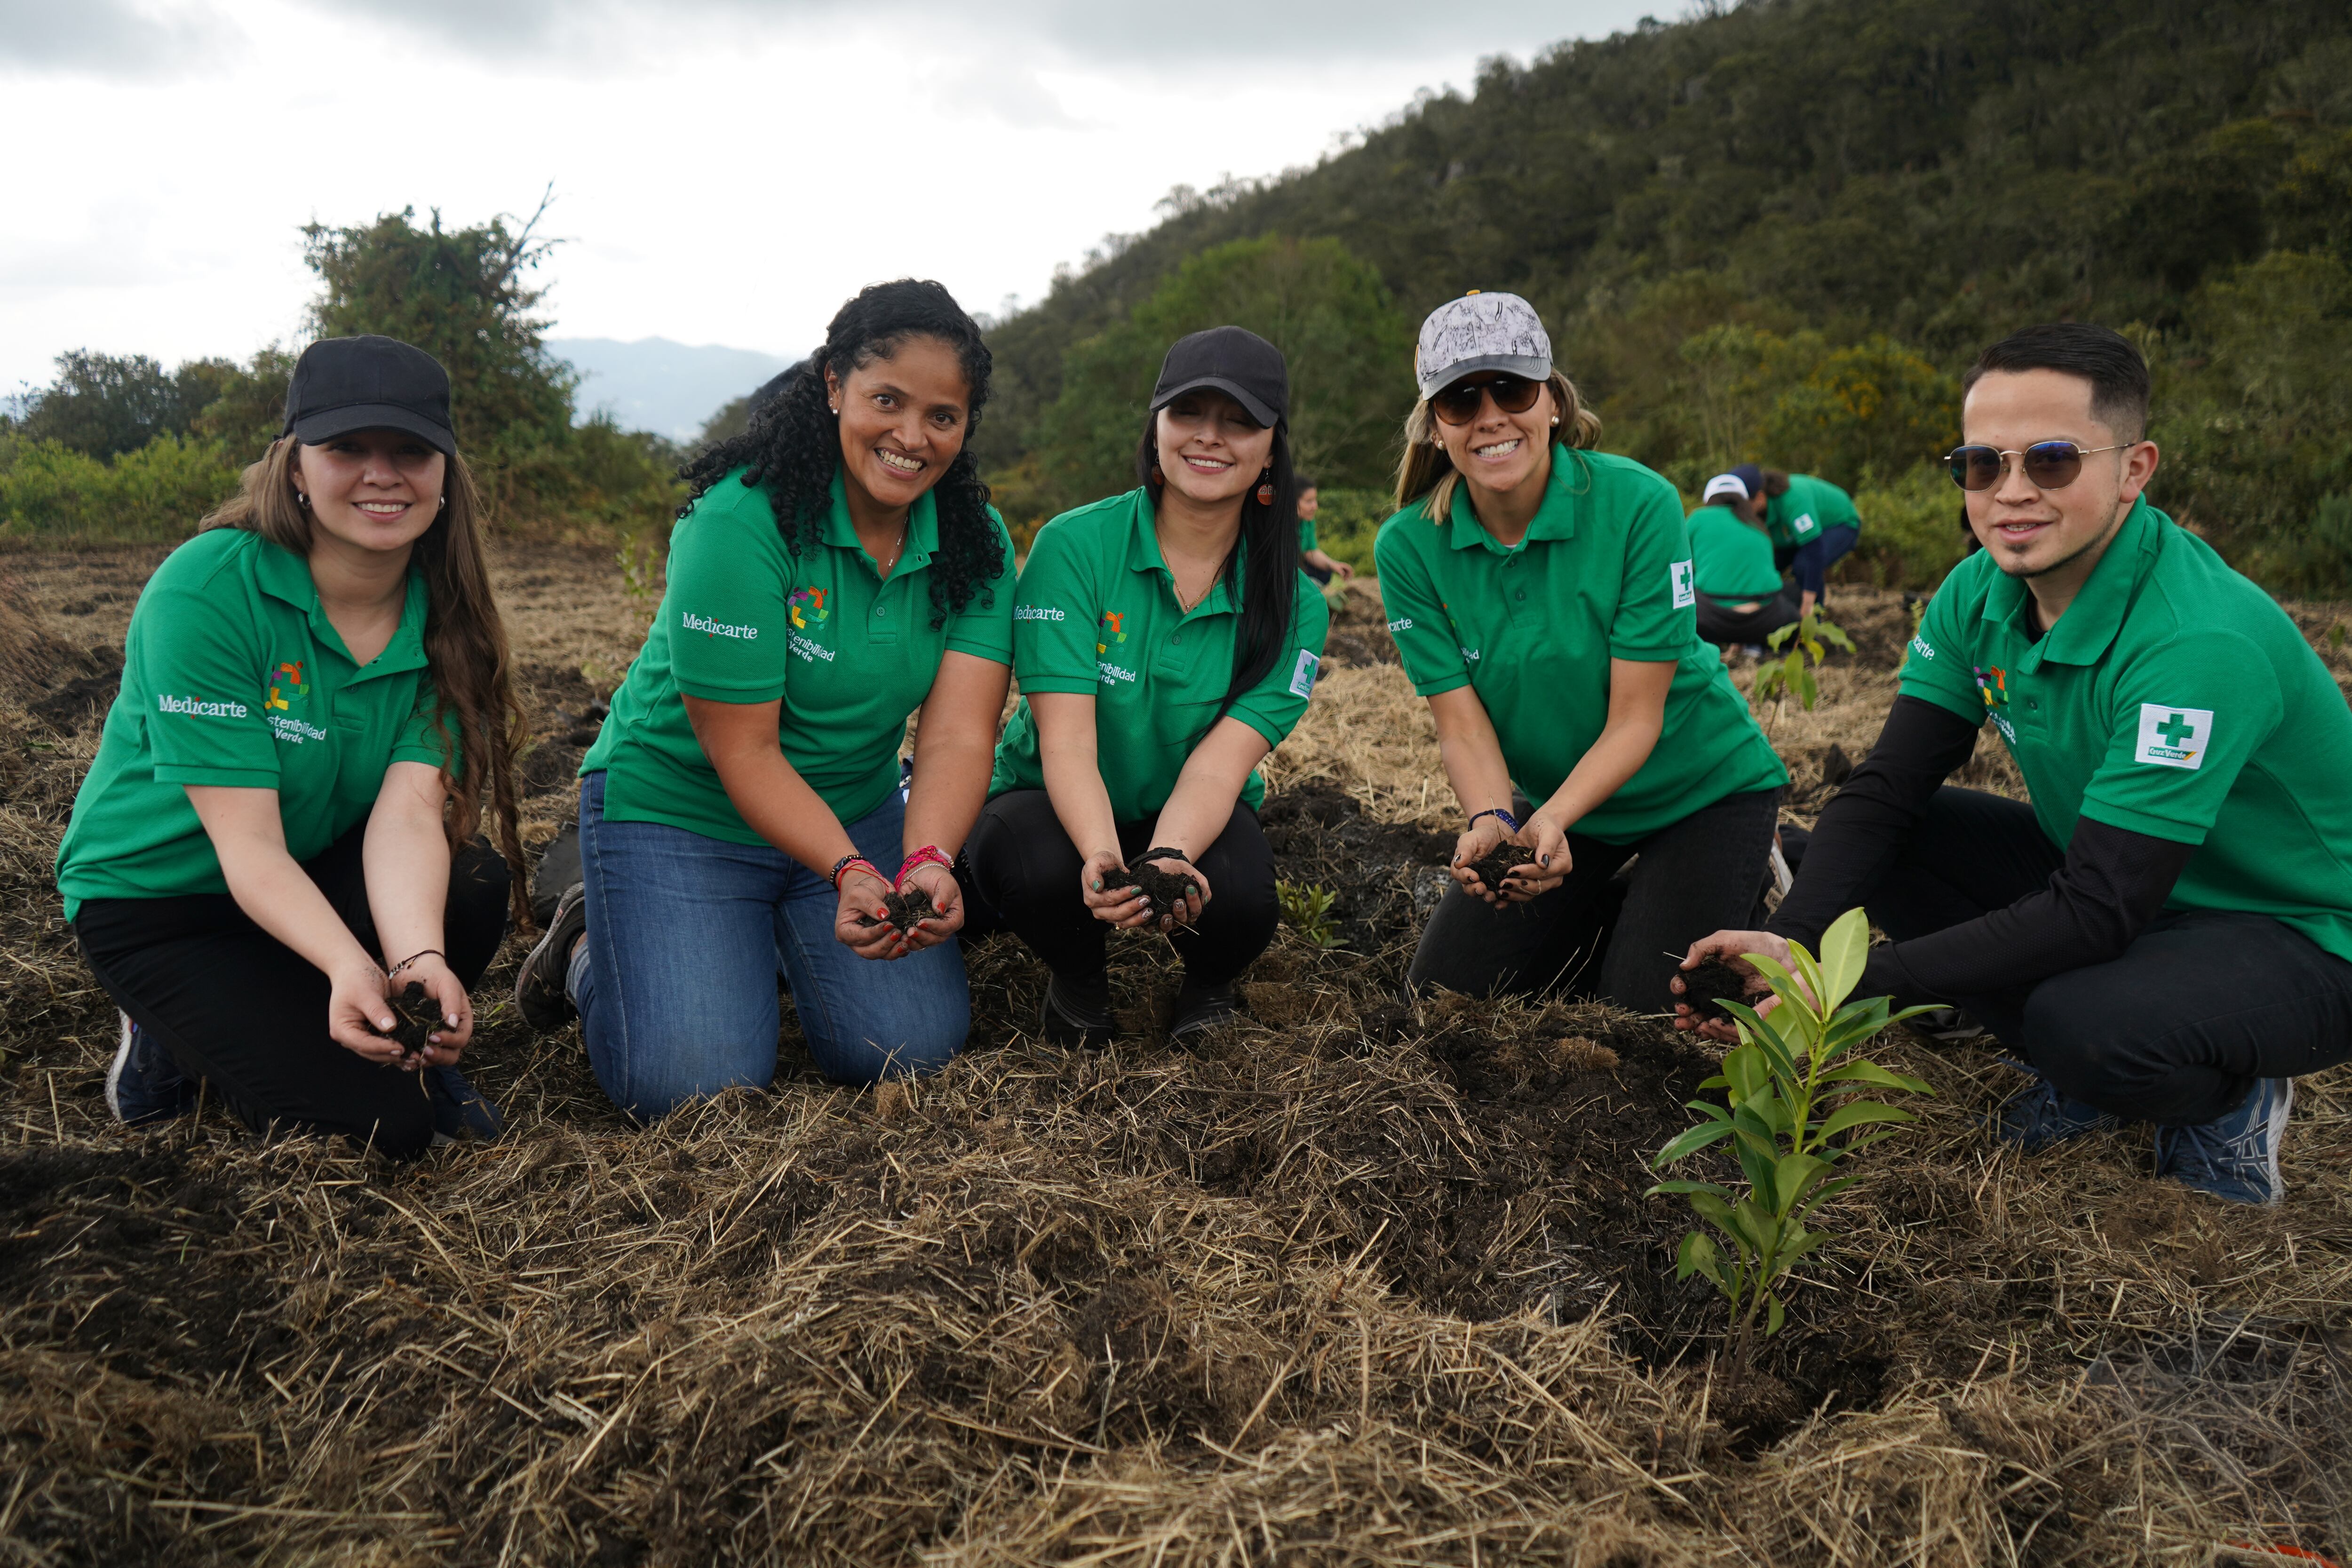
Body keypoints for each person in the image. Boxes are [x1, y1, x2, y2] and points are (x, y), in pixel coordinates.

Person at [1676, 323, 2352, 1206]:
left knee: (2083, 1026)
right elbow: (1887, 790)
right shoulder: (1978, 593)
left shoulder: (2197, 641)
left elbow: (2100, 907)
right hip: (2137, 885)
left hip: (2299, 928)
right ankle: (2114, 1049)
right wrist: (1796, 939)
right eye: (1982, 465)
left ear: (2135, 469)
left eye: (2054, 460)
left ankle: (2227, 1090)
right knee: (1895, 839)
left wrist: (1841, 990)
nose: (2012, 493)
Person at [511, 280, 1014, 1116]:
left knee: (907, 1049)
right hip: (685, 809)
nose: (911, 437)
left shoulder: (975, 542)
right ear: (832, 387)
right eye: (886, 400)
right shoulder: (741, 520)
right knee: (691, 1086)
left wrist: (924, 859)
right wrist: (850, 868)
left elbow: (960, 733)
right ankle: (588, 948)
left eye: (942, 417)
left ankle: (752, 939)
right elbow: (743, 749)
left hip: (852, 801)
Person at [59, 334, 525, 1158]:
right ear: (295, 467)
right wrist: (351, 966)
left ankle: (347, 1021)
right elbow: (246, 845)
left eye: (412, 450)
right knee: (388, 1129)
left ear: (446, 474)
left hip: (302, 871)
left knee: (475, 881)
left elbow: (412, 811)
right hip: (167, 904)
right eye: (347, 447)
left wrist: (413, 962)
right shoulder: (209, 589)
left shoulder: (451, 621)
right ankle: (164, 1027)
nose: (383, 473)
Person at [1374, 293, 1788, 1013]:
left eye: (1511, 388)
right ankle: (1636, 910)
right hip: (1570, 803)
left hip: (1701, 789)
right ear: (1436, 428)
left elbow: (1637, 718)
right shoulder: (1408, 547)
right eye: (1461, 400)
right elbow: (1462, 724)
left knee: (1645, 1015)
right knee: (1442, 997)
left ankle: (1752, 873)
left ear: (1553, 402)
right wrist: (1493, 824)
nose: (1490, 415)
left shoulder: (1638, 504)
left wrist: (1553, 820)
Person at [960, 326, 1330, 1042]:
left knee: (1245, 899)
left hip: (1191, 806)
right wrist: (1103, 853)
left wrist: (1168, 856)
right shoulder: (1075, 546)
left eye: (1240, 421)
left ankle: (1206, 987)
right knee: (1030, 863)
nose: (1210, 438)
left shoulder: (1295, 600)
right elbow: (1065, 740)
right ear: (1157, 426)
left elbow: (1222, 764)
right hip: (1057, 796)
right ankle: (1079, 981)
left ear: (1270, 449)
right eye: (1189, 413)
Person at [1689, 470, 1802, 648]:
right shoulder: (1758, 526)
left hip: (1709, 621)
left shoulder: (1698, 518)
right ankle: (1769, 648)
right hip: (1767, 623)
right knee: (1793, 594)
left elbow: (1677, 564)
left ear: (1708, 500)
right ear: (1745, 500)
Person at [1738, 462, 1860, 619]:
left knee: (1804, 566)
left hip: (1840, 524)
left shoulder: (1793, 500)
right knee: (1767, 568)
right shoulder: (1757, 512)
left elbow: (1814, 551)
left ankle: (1813, 623)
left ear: (1760, 498)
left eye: (1742, 504)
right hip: (1796, 536)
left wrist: (1807, 605)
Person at [1295, 475, 1354, 586]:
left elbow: (1310, 551)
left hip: (1299, 567)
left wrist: (1334, 565)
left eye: (1315, 500)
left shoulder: (1308, 521)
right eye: (1309, 502)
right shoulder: (1282, 525)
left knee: (1325, 573)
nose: (1315, 506)